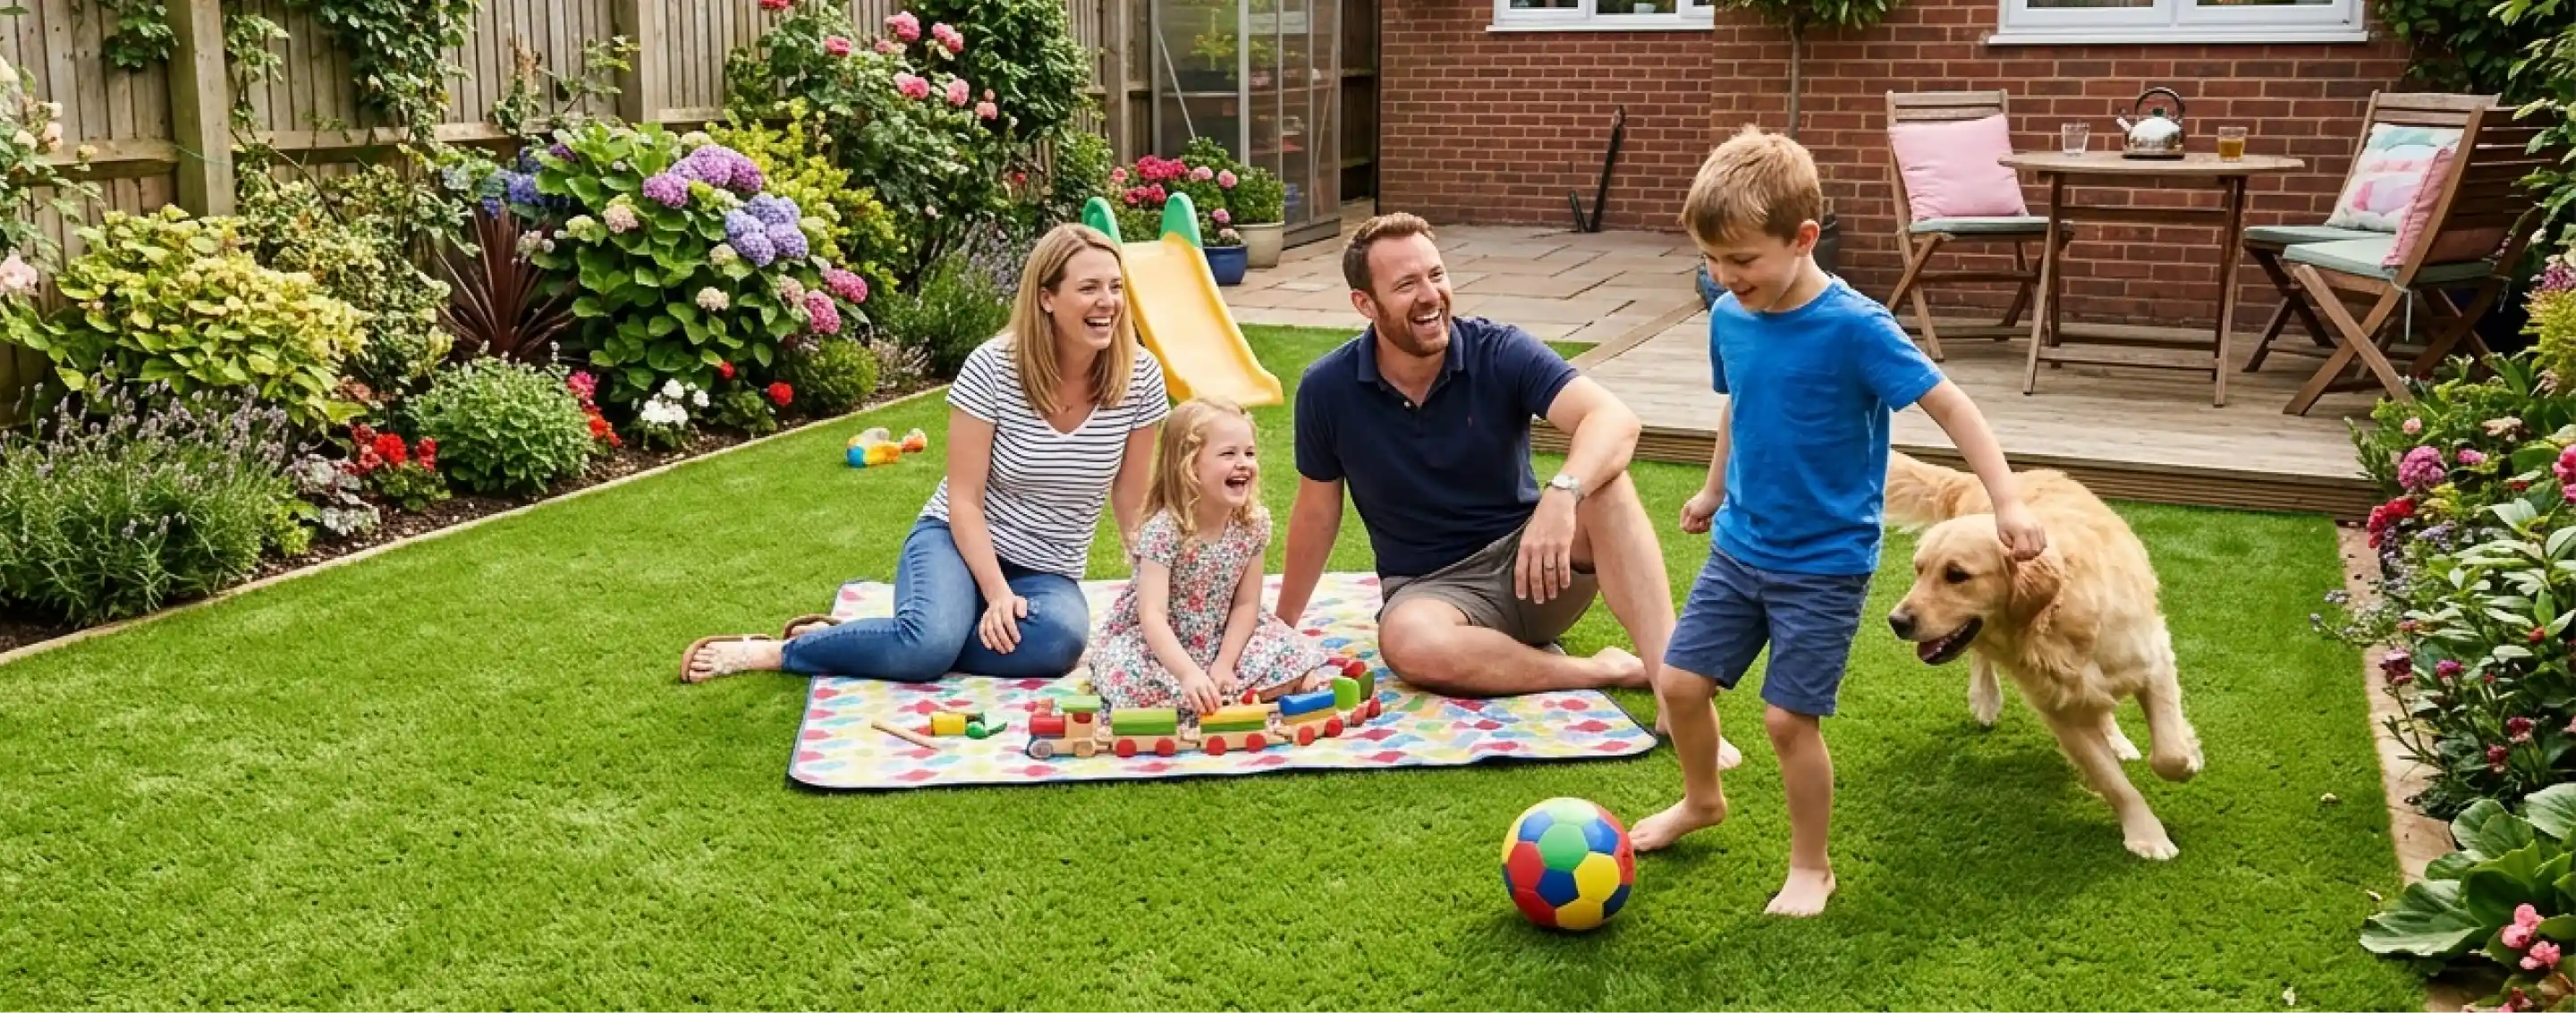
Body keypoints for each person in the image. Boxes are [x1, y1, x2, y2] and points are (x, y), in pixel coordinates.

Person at [1629, 127, 2047, 919]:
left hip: (1823, 561)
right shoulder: (1730, 315)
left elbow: (1952, 405)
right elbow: (1738, 405)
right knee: (1680, 684)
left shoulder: (1857, 327)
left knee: (1788, 719)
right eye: (1713, 260)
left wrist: (2009, 503)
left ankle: (1811, 866)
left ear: (1804, 238)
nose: (1725, 276)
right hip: (1740, 545)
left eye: (1743, 260)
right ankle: (1702, 799)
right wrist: (1715, 490)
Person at [1273, 212, 1741, 768]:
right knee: (1406, 643)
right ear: (1365, 305)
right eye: (1406, 285)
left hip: (1538, 570)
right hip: (1431, 592)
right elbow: (1318, 512)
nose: (1431, 296)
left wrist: (1562, 495)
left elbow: (1615, 419)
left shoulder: (1499, 350)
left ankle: (1671, 693)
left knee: (1607, 485)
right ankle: (1602, 669)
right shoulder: (1327, 389)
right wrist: (1280, 633)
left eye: (1436, 275)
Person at [678, 223, 1168, 684]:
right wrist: (997, 594)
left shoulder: (1140, 377)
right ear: (1046, 298)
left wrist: (1151, 584)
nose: (1108, 302)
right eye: (1089, 288)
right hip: (955, 542)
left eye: (1115, 286)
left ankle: (895, 635)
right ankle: (784, 651)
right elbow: (965, 500)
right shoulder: (994, 367)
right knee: (927, 648)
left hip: (1046, 570)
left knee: (1057, 644)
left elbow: (1130, 496)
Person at [1085, 397, 1342, 715]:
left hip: (1224, 637)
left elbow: (1247, 605)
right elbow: (1152, 617)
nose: (1243, 463)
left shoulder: (1252, 525)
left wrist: (1224, 664)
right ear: (1189, 466)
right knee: (1126, 671)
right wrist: (1188, 673)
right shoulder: (1165, 530)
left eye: (1249, 453)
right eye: (1228, 454)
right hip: (1165, 644)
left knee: (1288, 646)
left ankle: (1225, 690)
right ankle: (1227, 693)